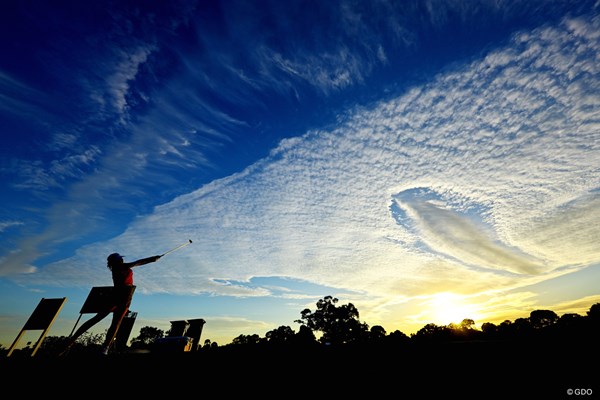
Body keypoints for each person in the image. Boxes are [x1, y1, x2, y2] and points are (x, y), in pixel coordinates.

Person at [60, 252, 162, 356]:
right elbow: (138, 262)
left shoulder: (117, 267)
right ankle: (98, 347)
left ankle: (98, 347)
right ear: (117, 261)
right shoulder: (120, 267)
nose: (122, 260)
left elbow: (136, 263)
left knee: (107, 321)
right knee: (111, 322)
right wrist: (152, 259)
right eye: (120, 259)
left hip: (123, 296)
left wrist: (152, 259)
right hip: (121, 296)